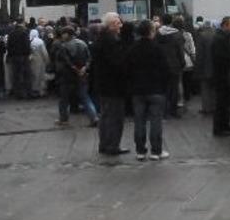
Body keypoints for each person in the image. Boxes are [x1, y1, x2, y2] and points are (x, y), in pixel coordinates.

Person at [125, 20, 170, 160]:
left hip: (138, 90)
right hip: (156, 89)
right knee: (156, 120)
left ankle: (140, 150)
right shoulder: (158, 48)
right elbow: (165, 69)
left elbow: (127, 70)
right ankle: (156, 151)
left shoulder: (133, 49)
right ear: (152, 31)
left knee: (139, 121)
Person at [92, 12, 128, 156]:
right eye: (119, 23)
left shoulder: (101, 38)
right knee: (115, 117)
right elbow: (117, 63)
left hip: (103, 84)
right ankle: (113, 145)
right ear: (112, 25)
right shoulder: (111, 41)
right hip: (113, 86)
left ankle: (105, 144)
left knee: (105, 116)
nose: (121, 26)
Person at [54, 27, 99, 127]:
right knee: (85, 97)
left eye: (63, 33)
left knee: (64, 99)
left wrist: (76, 69)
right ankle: (94, 117)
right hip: (82, 76)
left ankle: (64, 119)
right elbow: (89, 58)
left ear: (67, 34)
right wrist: (84, 68)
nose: (62, 36)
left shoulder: (64, 46)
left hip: (67, 77)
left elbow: (67, 62)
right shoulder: (83, 43)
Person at [157, 15, 186, 118]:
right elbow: (180, 52)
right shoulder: (177, 34)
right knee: (174, 89)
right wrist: (182, 63)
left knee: (163, 88)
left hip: (161, 65)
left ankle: (164, 110)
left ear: (161, 21)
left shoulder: (157, 33)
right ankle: (173, 111)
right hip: (174, 65)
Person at [212, 16, 230, 136]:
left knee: (225, 103)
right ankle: (219, 128)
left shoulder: (223, 37)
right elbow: (222, 58)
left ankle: (225, 126)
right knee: (221, 103)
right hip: (222, 76)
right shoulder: (220, 39)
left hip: (223, 75)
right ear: (225, 25)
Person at [194, 20, 216, 115]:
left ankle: (206, 108)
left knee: (205, 88)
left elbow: (199, 53)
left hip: (204, 67)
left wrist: (197, 66)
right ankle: (214, 106)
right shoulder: (216, 35)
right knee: (214, 89)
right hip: (215, 66)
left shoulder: (202, 36)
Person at [6, 21, 32, 99]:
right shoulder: (24, 34)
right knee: (26, 75)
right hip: (24, 57)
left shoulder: (11, 34)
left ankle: (18, 94)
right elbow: (27, 46)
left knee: (16, 76)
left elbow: (8, 46)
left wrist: (10, 55)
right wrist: (28, 53)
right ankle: (28, 93)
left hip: (14, 57)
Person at [28, 29, 50, 98]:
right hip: (40, 61)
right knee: (41, 76)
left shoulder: (29, 41)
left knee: (33, 76)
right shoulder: (40, 41)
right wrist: (47, 61)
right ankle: (41, 91)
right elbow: (44, 53)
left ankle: (34, 90)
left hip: (32, 61)